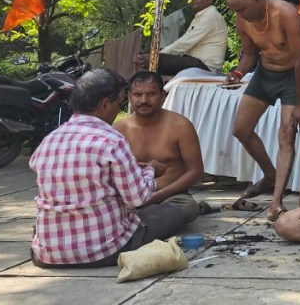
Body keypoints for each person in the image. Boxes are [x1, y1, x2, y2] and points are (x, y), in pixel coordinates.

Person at [29, 69, 187, 267]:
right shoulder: (112, 140)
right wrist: (151, 170)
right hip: (105, 250)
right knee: (174, 214)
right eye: (119, 103)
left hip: (48, 256)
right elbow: (137, 198)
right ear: (105, 105)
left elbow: (43, 170)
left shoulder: (50, 140)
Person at [226, 0, 300, 222]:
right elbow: (250, 54)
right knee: (241, 129)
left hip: (292, 78)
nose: (240, 15)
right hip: (264, 75)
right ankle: (270, 174)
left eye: (242, 9)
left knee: (286, 135)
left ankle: (276, 202)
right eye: (235, 11)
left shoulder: (286, 13)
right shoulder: (242, 20)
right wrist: (238, 73)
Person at [115, 71, 204, 223]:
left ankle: (138, 223)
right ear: (129, 97)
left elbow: (195, 172)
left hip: (170, 197)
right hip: (132, 198)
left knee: (188, 207)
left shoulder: (180, 126)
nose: (144, 100)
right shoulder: (119, 129)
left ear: (163, 95)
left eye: (151, 94)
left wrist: (157, 196)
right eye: (138, 95)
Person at [137, 0, 228, 75]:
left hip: (205, 66)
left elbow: (185, 42)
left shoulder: (210, 16)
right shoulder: (201, 16)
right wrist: (155, 53)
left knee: (156, 59)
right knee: (149, 50)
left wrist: (156, 56)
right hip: (193, 61)